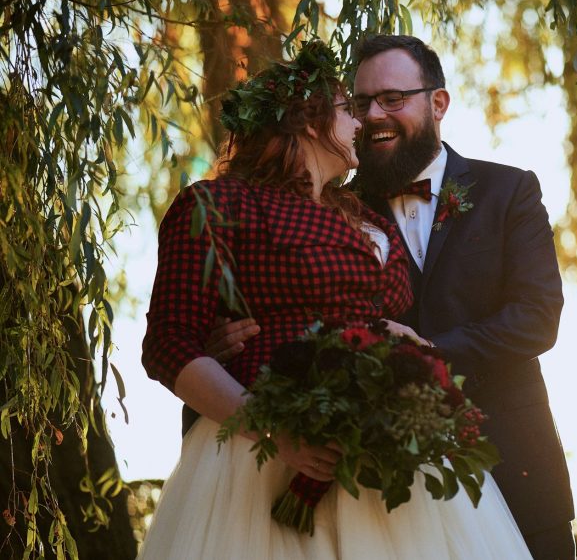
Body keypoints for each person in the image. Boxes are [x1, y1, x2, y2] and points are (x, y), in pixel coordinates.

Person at [138, 40, 533, 559]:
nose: (362, 124)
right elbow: (169, 345)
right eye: (349, 109)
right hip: (260, 455)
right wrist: (274, 430)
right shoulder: (216, 204)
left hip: (378, 453)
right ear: (308, 118)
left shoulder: (365, 214)